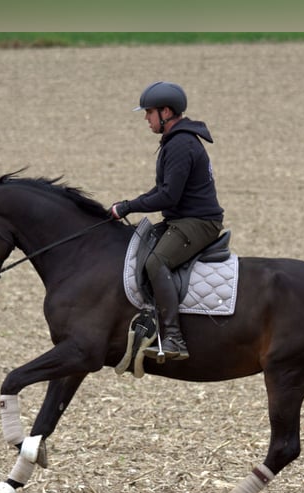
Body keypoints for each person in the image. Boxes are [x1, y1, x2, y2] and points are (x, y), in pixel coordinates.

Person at [108, 81, 225, 361]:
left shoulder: (181, 144)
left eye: (149, 113)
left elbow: (168, 197)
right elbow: (161, 191)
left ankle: (173, 337)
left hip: (198, 222)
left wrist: (128, 207)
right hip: (184, 219)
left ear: (166, 111)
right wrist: (126, 205)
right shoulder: (176, 141)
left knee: (156, 262)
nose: (146, 119)